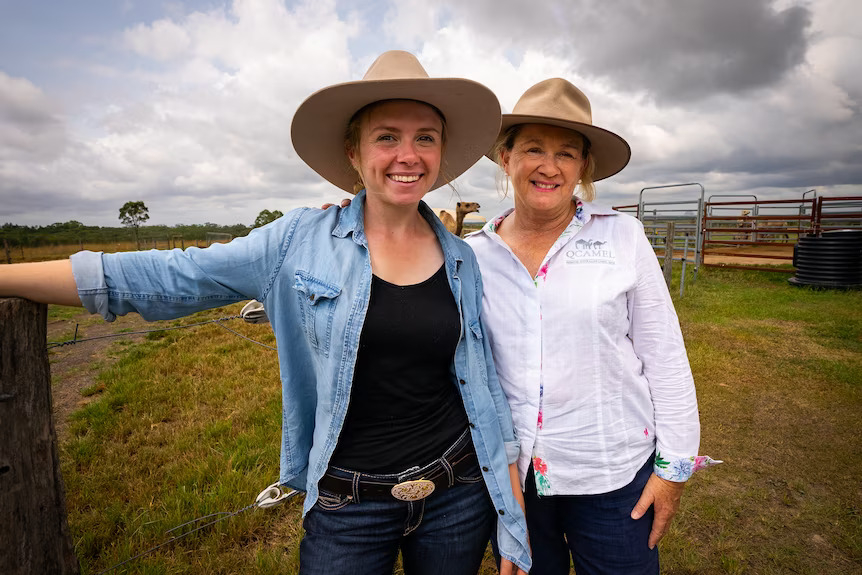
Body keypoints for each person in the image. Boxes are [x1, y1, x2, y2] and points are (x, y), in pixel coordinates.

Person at [0, 51, 531, 574]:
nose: (407, 154)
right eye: (387, 136)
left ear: (440, 153)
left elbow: (483, 388)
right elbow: (168, 276)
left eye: (425, 138)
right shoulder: (297, 242)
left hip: (456, 494)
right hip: (347, 504)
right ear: (353, 151)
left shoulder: (461, 258)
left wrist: (512, 520)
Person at [464, 78, 720, 575]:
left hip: (611, 470)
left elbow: (664, 356)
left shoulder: (622, 237)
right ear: (505, 157)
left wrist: (672, 471)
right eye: (533, 148)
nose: (549, 166)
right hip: (517, 478)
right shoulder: (473, 255)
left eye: (566, 153)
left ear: (583, 167)